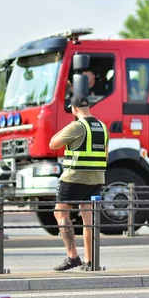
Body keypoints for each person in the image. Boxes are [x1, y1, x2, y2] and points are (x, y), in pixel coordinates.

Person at [48, 94, 109, 271]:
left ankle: (72, 256)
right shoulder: (103, 127)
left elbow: (53, 144)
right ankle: (90, 261)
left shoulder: (76, 126)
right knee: (88, 219)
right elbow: (105, 155)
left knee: (60, 214)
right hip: (96, 178)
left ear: (73, 109)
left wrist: (66, 128)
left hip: (74, 178)